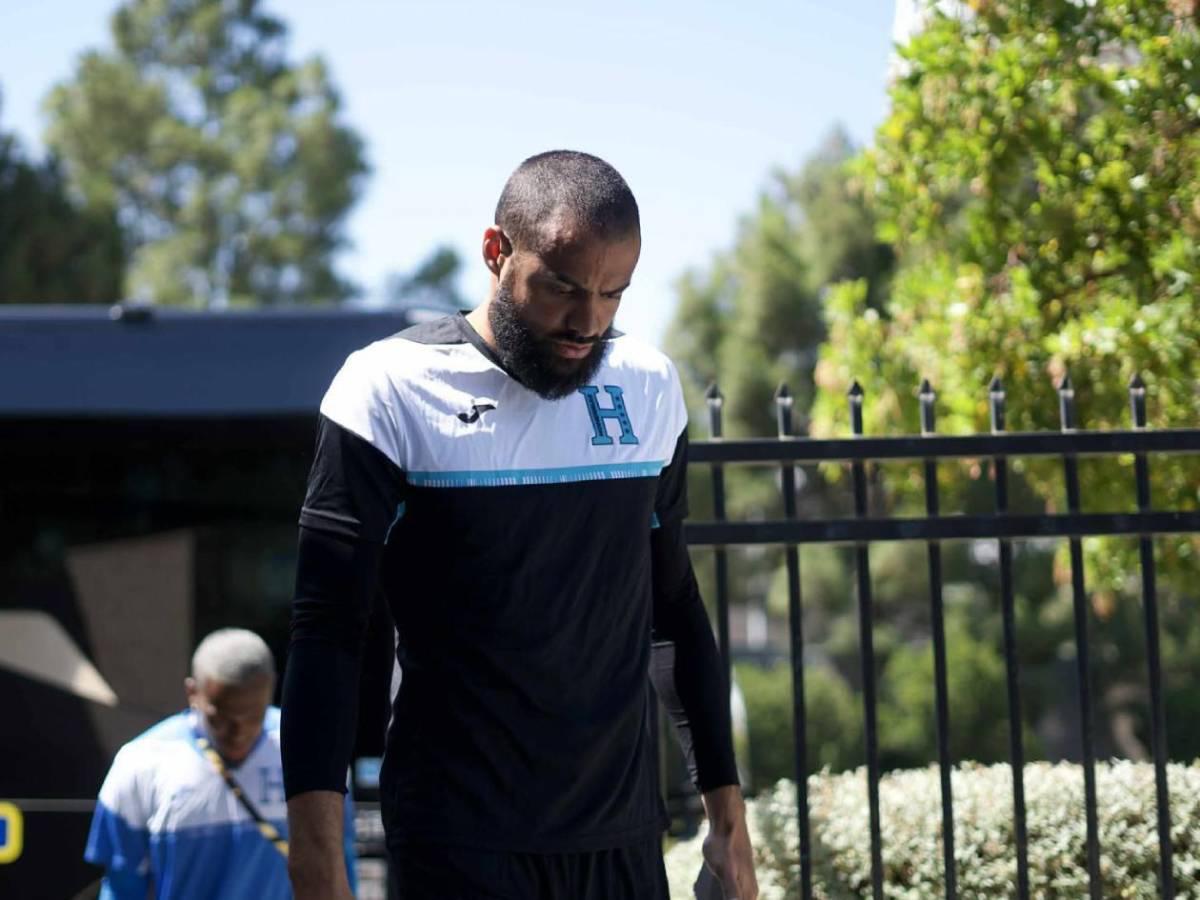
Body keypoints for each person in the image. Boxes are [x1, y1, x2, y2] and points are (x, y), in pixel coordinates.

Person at [282, 150, 758, 900]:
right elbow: (328, 630)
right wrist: (315, 855)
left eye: (613, 294)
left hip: (622, 837)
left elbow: (673, 611)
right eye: (563, 288)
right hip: (457, 840)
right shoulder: (387, 389)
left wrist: (726, 821)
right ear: (496, 252)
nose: (587, 322)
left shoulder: (649, 387)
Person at [85, 628, 357, 899]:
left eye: (253, 716)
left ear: (271, 687)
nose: (238, 732)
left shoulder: (312, 751)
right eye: (222, 718)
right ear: (193, 692)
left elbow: (339, 868)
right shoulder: (141, 762)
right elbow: (123, 886)